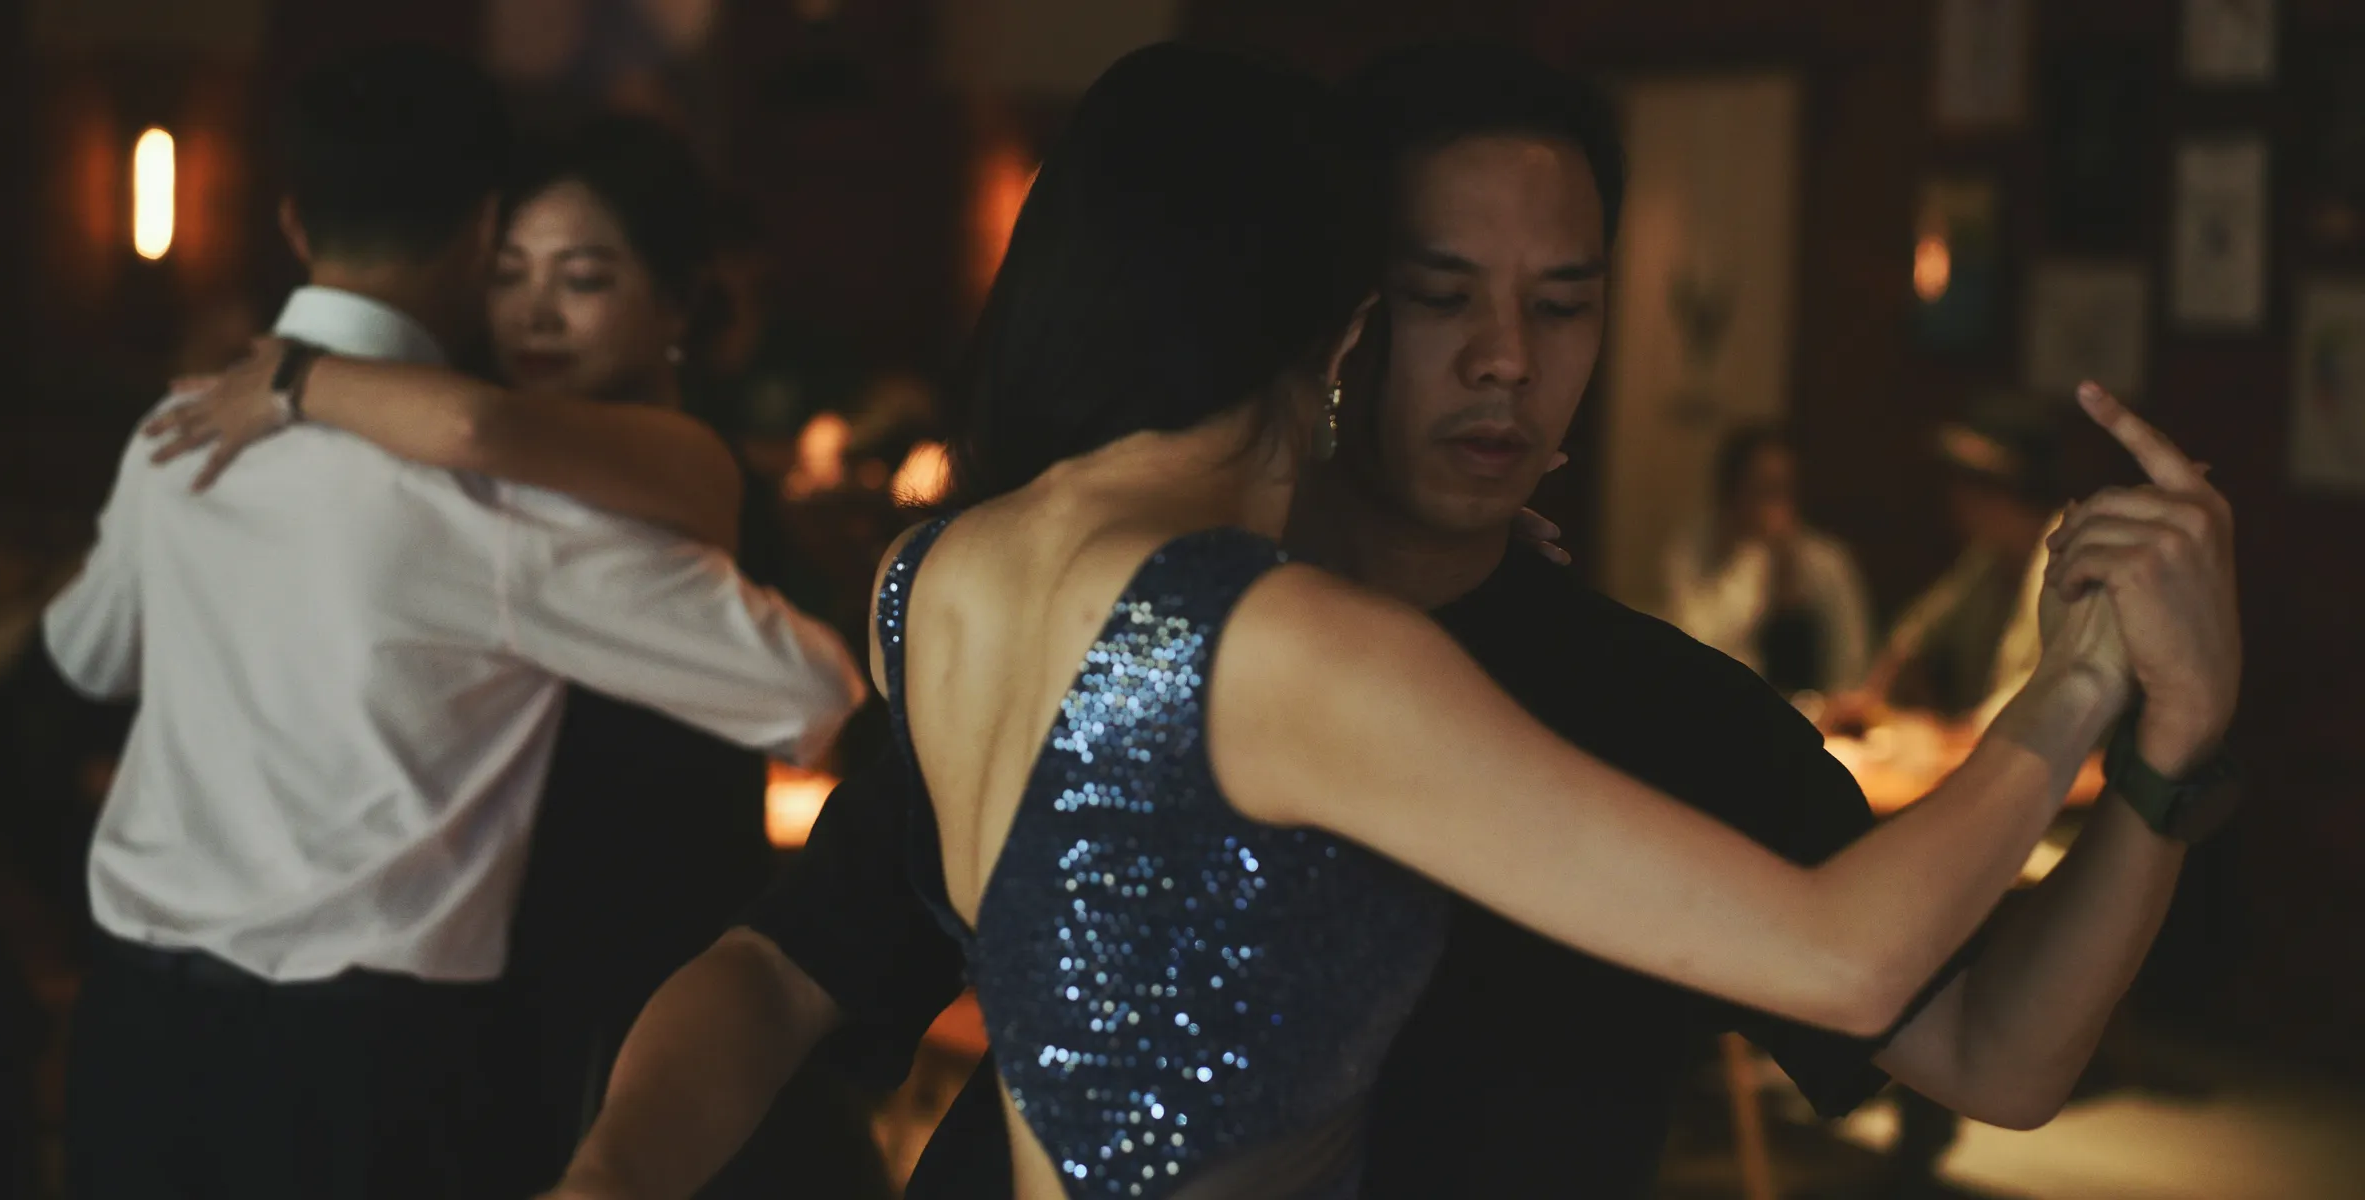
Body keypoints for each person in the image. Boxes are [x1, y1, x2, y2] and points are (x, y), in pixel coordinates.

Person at [544, 43, 2239, 1200]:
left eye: (1563, 303)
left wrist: (2160, 754)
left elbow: (1993, 1062)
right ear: (1332, 314)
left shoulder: (1671, 710)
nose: (1509, 357)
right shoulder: (1138, 636)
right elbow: (784, 966)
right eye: (1443, 299)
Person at [45, 48, 864, 1199]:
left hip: (142, 1035)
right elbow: (808, 688)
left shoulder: (185, 433)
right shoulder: (500, 506)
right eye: (517, 269)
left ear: (289, 218)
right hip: (356, 1058)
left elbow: (84, 653)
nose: (534, 308)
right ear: (479, 241)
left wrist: (290, 394)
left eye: (582, 274)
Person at [1844, 392, 2069, 730]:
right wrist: (1871, 700)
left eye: (1971, 483)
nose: (1957, 500)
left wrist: (1945, 738)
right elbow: (1915, 634)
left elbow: (2040, 697)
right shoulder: (1988, 557)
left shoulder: (2068, 554)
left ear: (2009, 488)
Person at [1663, 424, 1874, 696]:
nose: (1777, 508)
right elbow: (1697, 644)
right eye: (1763, 491)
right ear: (1731, 495)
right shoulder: (1694, 550)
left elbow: (1852, 661)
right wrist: (1754, 562)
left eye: (1785, 491)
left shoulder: (1826, 562)